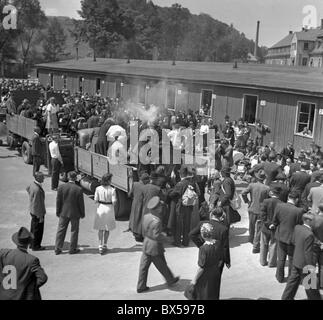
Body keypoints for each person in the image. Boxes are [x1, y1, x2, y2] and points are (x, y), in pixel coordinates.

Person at [137, 196, 179, 293]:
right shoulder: (157, 221)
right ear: (157, 209)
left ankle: (140, 286)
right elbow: (156, 236)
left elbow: (143, 231)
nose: (161, 208)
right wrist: (167, 239)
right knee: (162, 265)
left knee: (143, 267)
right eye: (160, 207)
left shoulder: (146, 216)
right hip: (155, 247)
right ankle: (170, 280)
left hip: (146, 244)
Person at [281, 213, 322, 300]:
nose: (315, 222)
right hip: (305, 265)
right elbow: (308, 253)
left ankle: (286, 298)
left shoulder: (297, 228)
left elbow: (293, 241)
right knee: (311, 287)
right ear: (308, 221)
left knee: (292, 283)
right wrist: (311, 267)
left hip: (296, 260)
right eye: (313, 221)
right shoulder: (309, 234)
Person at [0, 227, 48, 300]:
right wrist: (29, 288)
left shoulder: (4, 253)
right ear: (29, 243)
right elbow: (43, 278)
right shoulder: (32, 260)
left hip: (4, 295)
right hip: (21, 296)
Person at [270, 191, 305, 283]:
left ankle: (279, 277)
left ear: (288, 197)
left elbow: (275, 220)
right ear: (296, 199)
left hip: (281, 236)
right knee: (291, 259)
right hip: (292, 239)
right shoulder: (299, 211)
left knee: (281, 259)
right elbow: (300, 225)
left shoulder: (279, 206)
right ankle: (290, 278)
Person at [190, 223, 224, 300]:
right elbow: (220, 259)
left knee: (205, 294)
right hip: (216, 272)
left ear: (202, 234)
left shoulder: (203, 249)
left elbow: (202, 267)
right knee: (214, 292)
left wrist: (194, 280)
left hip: (206, 275)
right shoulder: (218, 243)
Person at [55, 171, 85, 255]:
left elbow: (58, 201)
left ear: (68, 177)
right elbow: (81, 203)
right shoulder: (78, 189)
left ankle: (57, 249)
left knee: (61, 230)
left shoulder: (61, 187)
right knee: (74, 231)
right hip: (75, 213)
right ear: (75, 178)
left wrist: (58, 211)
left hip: (63, 212)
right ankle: (72, 249)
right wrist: (82, 213)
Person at [241, 170, 270, 253]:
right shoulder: (267, 188)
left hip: (252, 208)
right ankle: (256, 243)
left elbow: (243, 193)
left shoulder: (252, 185)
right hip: (261, 210)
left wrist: (247, 201)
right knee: (259, 228)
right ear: (264, 178)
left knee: (251, 225)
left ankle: (251, 239)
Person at [169, 166, 195, 247]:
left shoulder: (180, 184)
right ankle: (186, 242)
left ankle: (177, 242)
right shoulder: (191, 183)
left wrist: (169, 191)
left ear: (180, 174)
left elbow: (172, 194)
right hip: (189, 206)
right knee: (187, 224)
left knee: (179, 224)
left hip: (180, 207)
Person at [94, 173, 117, 255]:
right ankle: (105, 244)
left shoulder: (98, 188)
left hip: (101, 208)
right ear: (109, 181)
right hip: (109, 208)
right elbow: (114, 202)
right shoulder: (112, 190)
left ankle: (100, 245)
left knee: (100, 228)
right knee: (107, 229)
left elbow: (95, 200)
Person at [259, 186, 282, 267]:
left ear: (272, 192)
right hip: (275, 228)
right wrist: (274, 224)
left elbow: (262, 215)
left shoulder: (265, 201)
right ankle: (271, 263)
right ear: (279, 194)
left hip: (265, 227)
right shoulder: (281, 203)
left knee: (263, 244)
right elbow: (280, 217)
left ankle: (262, 261)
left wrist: (268, 224)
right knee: (273, 245)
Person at [26, 172, 46, 251]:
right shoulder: (37, 190)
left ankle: (31, 243)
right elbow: (38, 204)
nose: (43, 178)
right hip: (38, 212)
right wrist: (40, 216)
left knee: (33, 228)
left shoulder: (32, 184)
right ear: (37, 178)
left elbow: (27, 188)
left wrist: (31, 198)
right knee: (38, 230)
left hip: (32, 210)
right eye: (42, 177)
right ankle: (36, 246)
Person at [128, 173, 150, 243]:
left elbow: (129, 194)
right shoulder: (146, 187)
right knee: (140, 219)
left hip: (134, 203)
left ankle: (134, 231)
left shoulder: (135, 184)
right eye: (148, 180)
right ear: (145, 180)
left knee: (134, 218)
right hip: (142, 205)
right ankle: (139, 235)